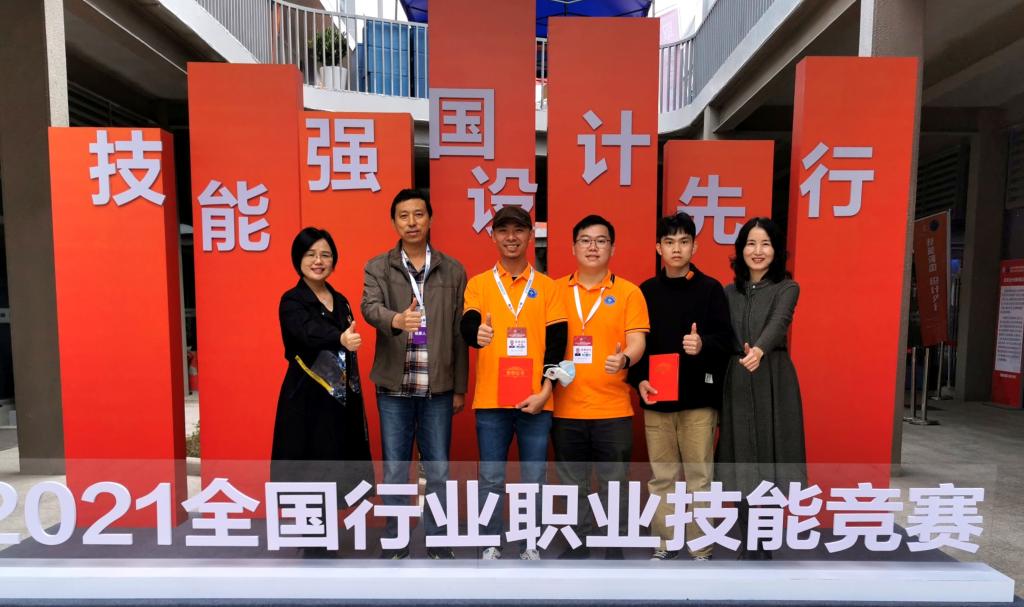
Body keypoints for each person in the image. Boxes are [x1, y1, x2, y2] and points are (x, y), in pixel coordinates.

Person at [362, 189, 469, 560]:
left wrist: (459, 387)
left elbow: (459, 334)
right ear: (394, 222)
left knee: (438, 471)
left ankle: (439, 542)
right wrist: (396, 319)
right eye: (403, 216)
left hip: (438, 389)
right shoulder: (378, 266)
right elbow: (369, 307)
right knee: (395, 471)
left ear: (430, 219)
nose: (412, 222)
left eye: (419, 214)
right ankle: (396, 542)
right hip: (395, 388)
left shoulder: (453, 270)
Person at [460, 206, 568, 561]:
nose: (511, 237)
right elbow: (469, 323)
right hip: (492, 401)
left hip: (536, 400)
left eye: (519, 230)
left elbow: (557, 344)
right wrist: (476, 334)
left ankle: (530, 543)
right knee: (491, 477)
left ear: (530, 236)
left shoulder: (548, 287)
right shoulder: (479, 284)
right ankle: (490, 542)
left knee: (534, 478)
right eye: (503, 230)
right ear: (493, 237)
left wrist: (546, 391)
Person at [627, 212, 733, 561]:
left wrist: (702, 344)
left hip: (698, 400)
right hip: (657, 399)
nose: (676, 248)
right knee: (662, 478)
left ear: (694, 246)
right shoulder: (645, 291)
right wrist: (638, 379)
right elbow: (636, 343)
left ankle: (702, 547)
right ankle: (665, 543)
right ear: (658, 247)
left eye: (684, 241)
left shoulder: (710, 289)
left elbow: (726, 340)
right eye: (669, 242)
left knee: (700, 477)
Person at [270, 227, 373, 556]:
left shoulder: (341, 300)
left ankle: (324, 537)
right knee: (309, 464)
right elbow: (305, 332)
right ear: (298, 260)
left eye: (325, 255)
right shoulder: (292, 300)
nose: (318, 261)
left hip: (341, 398)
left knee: (334, 462)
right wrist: (339, 339)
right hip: (307, 398)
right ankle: (313, 543)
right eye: (311, 254)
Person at [553, 215, 649, 560]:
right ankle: (576, 543)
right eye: (585, 240)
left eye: (601, 240)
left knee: (614, 484)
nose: (592, 247)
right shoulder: (554, 291)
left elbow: (637, 341)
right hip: (566, 407)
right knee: (572, 484)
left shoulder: (628, 292)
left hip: (613, 408)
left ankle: (613, 543)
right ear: (573, 247)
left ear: (612, 248)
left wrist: (625, 359)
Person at [717, 216, 806, 560]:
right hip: (737, 378)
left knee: (772, 458)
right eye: (751, 244)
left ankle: (764, 544)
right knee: (740, 458)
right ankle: (748, 543)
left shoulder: (787, 287)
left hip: (773, 378)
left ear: (776, 250)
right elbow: (718, 334)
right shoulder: (728, 293)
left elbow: (779, 322)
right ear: (740, 250)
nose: (758, 251)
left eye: (765, 244)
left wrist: (759, 350)